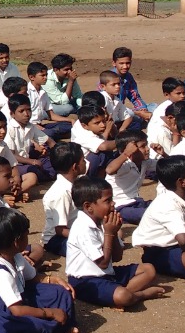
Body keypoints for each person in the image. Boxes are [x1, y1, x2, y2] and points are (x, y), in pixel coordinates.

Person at [0, 208, 77, 333]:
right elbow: (17, 310)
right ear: (17, 242)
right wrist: (50, 312)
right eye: (26, 235)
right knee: (29, 326)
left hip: (22, 296)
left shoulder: (15, 256)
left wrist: (53, 280)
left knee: (61, 293)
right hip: (4, 313)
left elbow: (33, 277)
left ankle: (60, 327)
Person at [66, 177, 167, 307]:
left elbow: (118, 257)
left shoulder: (104, 221)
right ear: (88, 207)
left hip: (108, 274)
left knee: (149, 270)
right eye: (107, 201)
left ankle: (120, 295)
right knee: (122, 296)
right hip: (86, 281)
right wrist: (108, 232)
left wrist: (113, 232)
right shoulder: (82, 228)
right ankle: (138, 295)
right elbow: (102, 263)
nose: (113, 203)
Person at [41, 143, 86, 257]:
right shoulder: (61, 193)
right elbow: (60, 230)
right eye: (83, 160)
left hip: (73, 230)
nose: (86, 163)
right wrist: (85, 237)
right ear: (75, 167)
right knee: (90, 250)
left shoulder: (75, 183)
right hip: (56, 239)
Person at [105, 131, 152, 224]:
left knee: (165, 207)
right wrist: (126, 153)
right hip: (121, 207)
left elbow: (165, 165)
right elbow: (109, 170)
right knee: (150, 215)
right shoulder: (124, 164)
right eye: (143, 146)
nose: (147, 149)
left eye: (147, 145)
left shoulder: (144, 162)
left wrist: (163, 154)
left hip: (137, 202)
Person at [110, 47, 153, 122]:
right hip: (113, 113)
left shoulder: (128, 77)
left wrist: (142, 109)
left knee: (153, 106)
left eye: (127, 63)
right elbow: (112, 106)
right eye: (121, 63)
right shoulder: (108, 79)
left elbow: (135, 97)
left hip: (124, 111)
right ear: (114, 63)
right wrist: (138, 113)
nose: (125, 67)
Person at [44, 54, 83, 118]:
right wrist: (71, 81)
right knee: (68, 108)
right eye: (66, 69)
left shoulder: (69, 76)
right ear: (56, 70)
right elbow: (62, 102)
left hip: (64, 100)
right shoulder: (47, 79)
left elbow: (78, 95)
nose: (69, 71)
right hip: (49, 105)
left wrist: (82, 108)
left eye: (71, 68)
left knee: (87, 100)